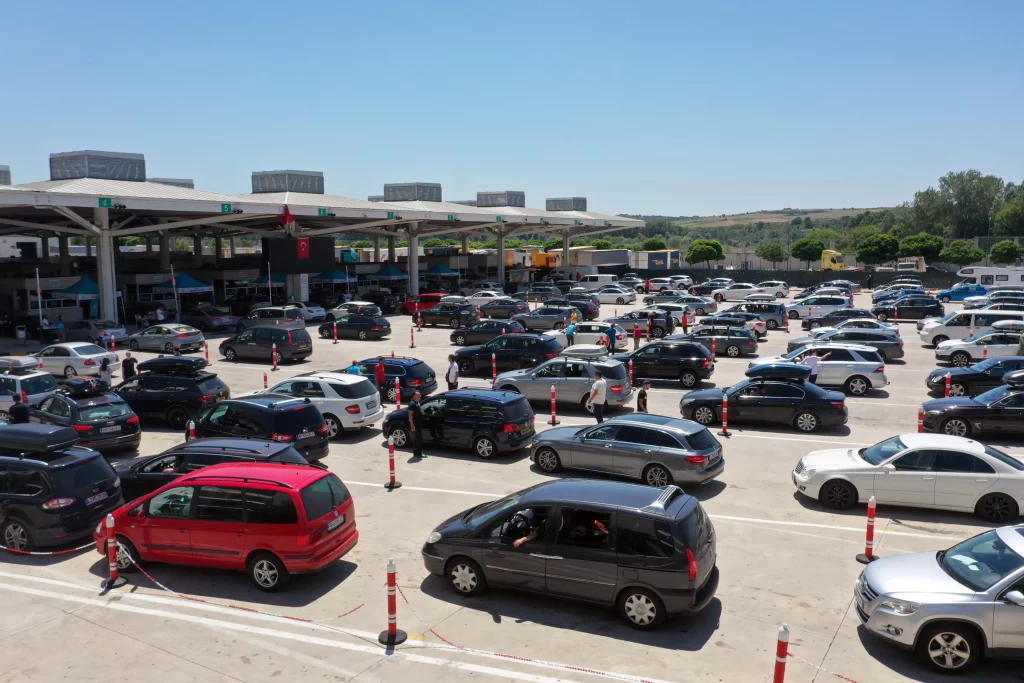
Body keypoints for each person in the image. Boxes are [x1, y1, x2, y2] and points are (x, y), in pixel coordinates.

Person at [407, 390, 425, 459]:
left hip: (419, 424)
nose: (420, 396)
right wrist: (412, 425)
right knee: (418, 439)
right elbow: (410, 415)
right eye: (418, 395)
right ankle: (418, 453)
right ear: (414, 396)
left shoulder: (417, 402)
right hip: (416, 425)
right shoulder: (412, 404)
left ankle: (417, 452)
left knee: (417, 439)